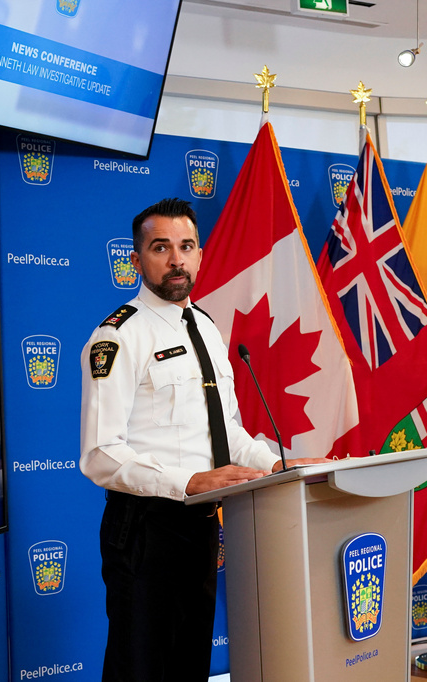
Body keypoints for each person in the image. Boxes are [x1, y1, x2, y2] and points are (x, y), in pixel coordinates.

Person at [79, 198, 325, 681]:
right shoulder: (117, 338)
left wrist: (276, 465)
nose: (176, 260)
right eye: (161, 247)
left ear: (199, 253)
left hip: (202, 525)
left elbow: (226, 431)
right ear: (136, 259)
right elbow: (100, 455)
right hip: (146, 527)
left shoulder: (208, 328)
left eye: (186, 246)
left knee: (191, 663)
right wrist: (189, 481)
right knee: (142, 667)